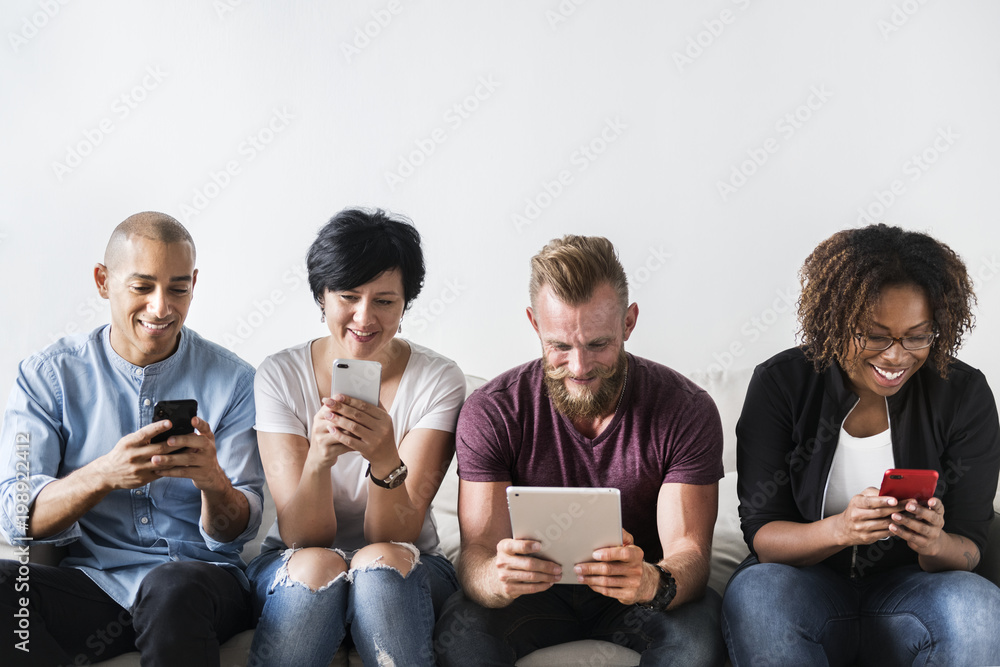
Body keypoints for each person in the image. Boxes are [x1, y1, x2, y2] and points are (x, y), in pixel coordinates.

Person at [434, 235, 727, 666]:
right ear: (535, 324)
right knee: (460, 633)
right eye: (560, 346)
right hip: (531, 597)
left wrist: (651, 582)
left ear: (628, 323)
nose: (579, 367)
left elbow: (690, 554)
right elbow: (477, 551)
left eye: (597, 345)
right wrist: (496, 580)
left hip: (635, 596)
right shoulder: (493, 410)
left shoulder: (685, 408)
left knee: (699, 635)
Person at [721, 223, 1000, 665]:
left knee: (978, 607)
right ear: (835, 319)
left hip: (915, 590)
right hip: (805, 586)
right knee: (758, 592)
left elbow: (970, 545)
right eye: (873, 334)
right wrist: (841, 530)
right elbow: (764, 535)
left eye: (917, 335)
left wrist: (934, 543)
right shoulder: (782, 383)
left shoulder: (963, 394)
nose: (895, 355)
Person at [0, 212, 264, 665]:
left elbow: (236, 535)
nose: (162, 307)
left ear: (193, 284)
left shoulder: (234, 381)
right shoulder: (48, 376)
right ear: (103, 281)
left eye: (178, 288)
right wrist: (103, 475)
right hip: (95, 585)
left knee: (171, 589)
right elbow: (15, 515)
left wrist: (214, 483)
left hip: (198, 584)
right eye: (142, 287)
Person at [246, 208, 464, 666]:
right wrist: (319, 460)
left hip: (406, 564)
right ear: (321, 297)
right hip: (297, 558)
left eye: (385, 301)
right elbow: (303, 537)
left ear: (406, 305)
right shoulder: (279, 376)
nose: (364, 318)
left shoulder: (438, 380)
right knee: (318, 564)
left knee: (379, 563)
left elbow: (393, 534)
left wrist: (385, 458)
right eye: (348, 296)